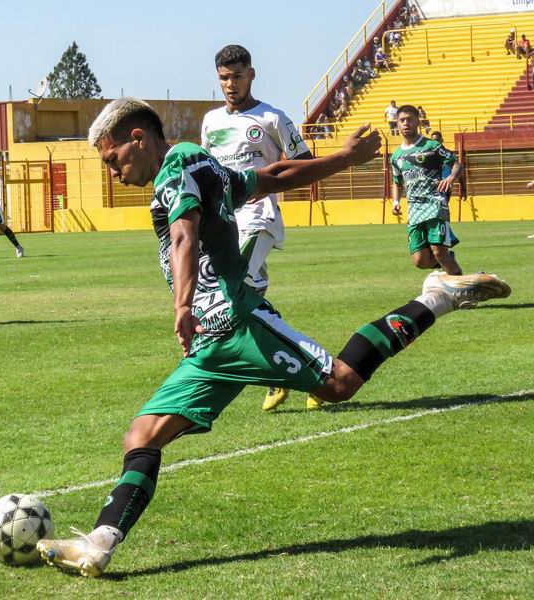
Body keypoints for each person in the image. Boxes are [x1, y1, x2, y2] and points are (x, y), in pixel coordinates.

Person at [35, 98, 511, 578]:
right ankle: (99, 543)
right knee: (142, 435)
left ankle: (437, 296)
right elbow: (276, 177)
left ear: (137, 139)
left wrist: (181, 304)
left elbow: (185, 233)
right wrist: (344, 159)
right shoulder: (202, 166)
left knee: (339, 384)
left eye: (112, 159)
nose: (113, 173)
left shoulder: (177, 164)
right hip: (208, 346)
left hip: (240, 324)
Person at [201, 44, 317, 412]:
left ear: (252, 73)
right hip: (222, 223)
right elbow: (206, 172)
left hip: (257, 218)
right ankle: (302, 372)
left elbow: (305, 163)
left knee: (232, 295)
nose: (230, 84)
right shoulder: (211, 121)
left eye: (237, 76)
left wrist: (266, 185)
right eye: (224, 78)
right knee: (250, 302)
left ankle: (306, 373)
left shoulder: (272, 118)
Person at [391, 106, 465, 275]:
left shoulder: (431, 146)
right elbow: (397, 181)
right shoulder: (396, 156)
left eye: (410, 119)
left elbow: (457, 164)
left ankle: (463, 289)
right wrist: (395, 201)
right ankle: (447, 260)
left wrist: (451, 178)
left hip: (435, 204)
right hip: (414, 209)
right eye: (402, 120)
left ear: (418, 121)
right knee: (420, 261)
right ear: (397, 123)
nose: (406, 123)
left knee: (439, 252)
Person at [430, 131, 467, 201]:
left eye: (438, 140)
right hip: (431, 188)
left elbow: (458, 171)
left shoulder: (449, 154)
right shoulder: (427, 155)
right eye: (433, 141)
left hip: (445, 188)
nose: (436, 143)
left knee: (442, 210)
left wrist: (463, 189)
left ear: (442, 140)